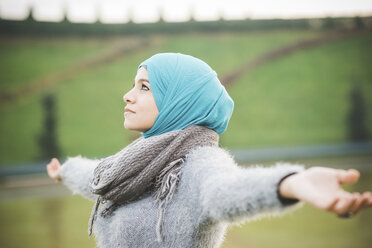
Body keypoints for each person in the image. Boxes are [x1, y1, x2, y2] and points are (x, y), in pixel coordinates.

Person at [47, 53, 372, 248]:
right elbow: (96, 178)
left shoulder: (199, 163)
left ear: (181, 100)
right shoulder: (133, 162)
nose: (127, 96)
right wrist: (63, 171)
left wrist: (292, 183)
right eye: (134, 85)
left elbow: (226, 192)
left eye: (144, 87)